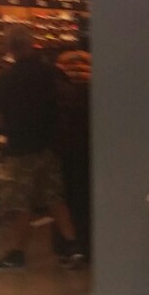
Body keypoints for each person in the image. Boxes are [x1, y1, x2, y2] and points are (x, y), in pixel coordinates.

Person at [0, 26, 77, 270]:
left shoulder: (7, 78)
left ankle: (15, 253)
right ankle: (73, 248)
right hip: (50, 145)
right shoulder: (52, 73)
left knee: (20, 202)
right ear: (32, 44)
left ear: (9, 48)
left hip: (20, 147)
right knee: (55, 198)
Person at [55, 46, 92, 267]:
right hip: (88, 151)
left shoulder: (59, 90)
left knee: (66, 198)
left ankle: (69, 245)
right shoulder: (93, 91)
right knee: (85, 198)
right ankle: (85, 244)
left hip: (65, 151)